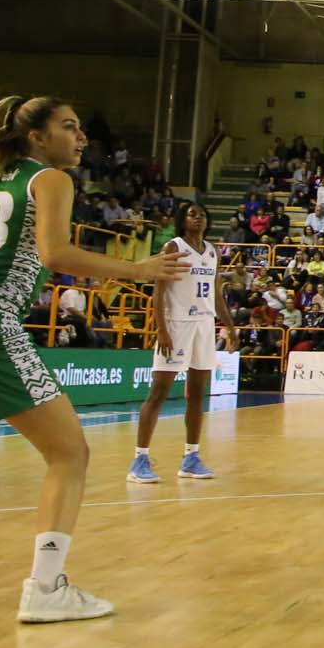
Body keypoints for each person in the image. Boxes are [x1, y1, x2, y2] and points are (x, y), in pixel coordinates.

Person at [0, 91, 188, 622]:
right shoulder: (50, 179)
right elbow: (55, 254)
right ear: (37, 137)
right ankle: (46, 589)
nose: (81, 136)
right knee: (70, 455)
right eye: (69, 126)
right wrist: (137, 270)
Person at [128, 202, 230, 483]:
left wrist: (230, 325)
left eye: (202, 214)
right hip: (177, 324)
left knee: (197, 393)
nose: (199, 218)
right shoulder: (173, 247)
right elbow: (158, 292)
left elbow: (216, 295)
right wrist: (162, 330)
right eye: (192, 214)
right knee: (158, 392)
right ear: (181, 220)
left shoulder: (212, 251)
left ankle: (191, 457)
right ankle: (139, 459)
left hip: (204, 325)